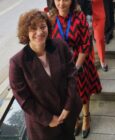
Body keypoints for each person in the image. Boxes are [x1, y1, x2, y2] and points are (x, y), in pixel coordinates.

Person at [9, 9, 82, 140]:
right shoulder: (17, 63)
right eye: (33, 29)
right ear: (25, 32)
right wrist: (48, 119)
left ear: (48, 27)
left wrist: (68, 107)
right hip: (43, 127)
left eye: (43, 27)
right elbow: (24, 99)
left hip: (68, 115)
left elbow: (72, 76)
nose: (39, 32)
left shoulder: (60, 46)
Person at [49, 0, 101, 139]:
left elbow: (86, 44)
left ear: (72, 0)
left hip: (80, 63)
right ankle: (75, 119)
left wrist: (76, 67)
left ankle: (86, 117)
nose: (61, 3)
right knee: (66, 95)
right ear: (53, 0)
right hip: (59, 66)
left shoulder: (79, 17)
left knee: (83, 93)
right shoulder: (50, 18)